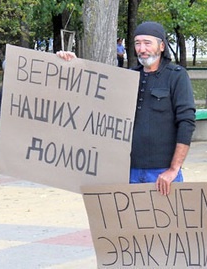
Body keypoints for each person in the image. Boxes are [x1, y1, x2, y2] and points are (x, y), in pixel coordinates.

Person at [57, 21, 196, 196]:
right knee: (128, 224)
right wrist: (71, 65)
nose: (142, 48)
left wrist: (173, 169)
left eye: (147, 43)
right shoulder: (128, 77)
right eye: (137, 43)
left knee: (164, 223)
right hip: (127, 172)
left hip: (163, 174)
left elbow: (187, 122)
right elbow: (94, 100)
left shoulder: (177, 76)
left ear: (161, 46)